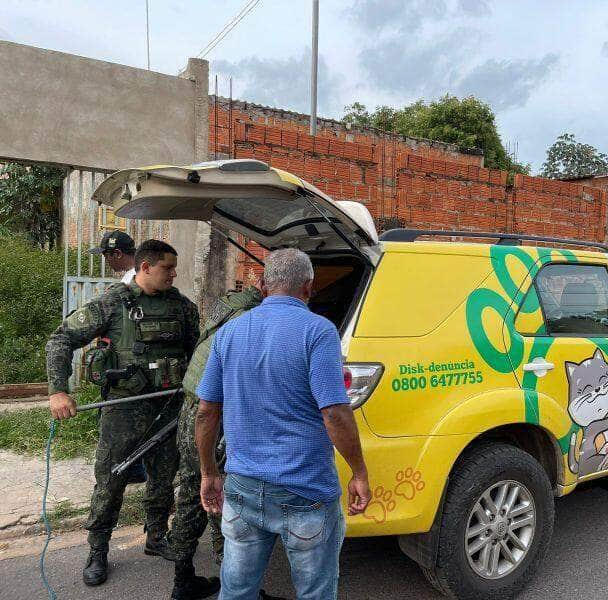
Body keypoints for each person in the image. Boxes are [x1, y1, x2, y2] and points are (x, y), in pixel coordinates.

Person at [195, 248, 372, 600]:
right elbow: (335, 413)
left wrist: (208, 471)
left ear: (262, 285)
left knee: (236, 591)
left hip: (243, 486)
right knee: (315, 593)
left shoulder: (229, 333)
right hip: (304, 490)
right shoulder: (318, 331)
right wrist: (359, 473)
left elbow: (206, 411)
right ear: (309, 287)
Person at [46, 239, 199, 587]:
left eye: (174, 268)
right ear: (145, 267)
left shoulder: (183, 308)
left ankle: (156, 536)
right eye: (167, 268)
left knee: (164, 477)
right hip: (123, 410)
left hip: (169, 409)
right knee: (110, 481)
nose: (174, 274)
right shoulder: (113, 304)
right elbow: (60, 340)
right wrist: (58, 390)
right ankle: (98, 549)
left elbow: (196, 356)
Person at [168, 283, 264, 600]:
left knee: (191, 495)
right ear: (266, 287)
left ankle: (183, 582)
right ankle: (234, 586)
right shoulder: (250, 319)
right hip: (211, 412)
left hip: (191, 407)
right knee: (222, 496)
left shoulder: (228, 303)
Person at [89, 230, 147, 484]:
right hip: (129, 360)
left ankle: (128, 471)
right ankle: (134, 469)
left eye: (106, 256)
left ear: (117, 254)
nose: (105, 261)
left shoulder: (133, 281)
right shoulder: (133, 277)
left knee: (119, 423)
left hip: (128, 364)